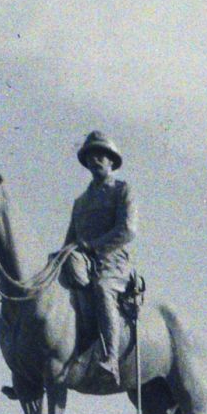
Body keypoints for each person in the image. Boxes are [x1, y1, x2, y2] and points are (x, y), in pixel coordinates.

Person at [61, 130, 137, 380]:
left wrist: (93, 246)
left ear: (112, 161)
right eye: (91, 156)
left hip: (112, 264)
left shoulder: (122, 190)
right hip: (84, 264)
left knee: (102, 289)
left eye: (101, 155)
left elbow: (127, 230)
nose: (96, 160)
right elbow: (70, 240)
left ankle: (111, 359)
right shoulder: (80, 202)